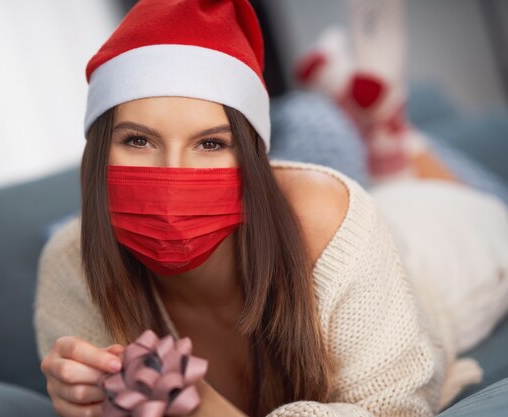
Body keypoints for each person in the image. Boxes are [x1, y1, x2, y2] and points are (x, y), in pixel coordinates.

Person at [32, 1, 508, 416]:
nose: (173, 175)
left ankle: (390, 130)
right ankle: (378, 130)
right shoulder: (67, 263)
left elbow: (395, 409)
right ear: (97, 154)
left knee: (466, 203)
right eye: (138, 140)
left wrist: (204, 408)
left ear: (252, 160)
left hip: (444, 246)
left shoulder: (329, 215)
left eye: (211, 143)